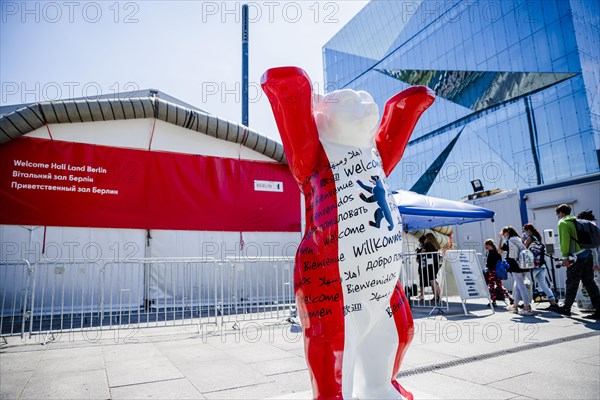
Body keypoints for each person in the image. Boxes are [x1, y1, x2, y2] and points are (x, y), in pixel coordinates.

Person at [554, 204, 600, 319]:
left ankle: (566, 308)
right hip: (588, 254)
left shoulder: (563, 223)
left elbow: (564, 241)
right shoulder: (577, 221)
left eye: (557, 214)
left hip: (576, 257)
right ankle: (599, 309)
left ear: (561, 213)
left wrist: (564, 257)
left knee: (572, 282)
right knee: (589, 282)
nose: (557, 216)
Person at [498, 226, 534, 316]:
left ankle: (527, 307)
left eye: (504, 233)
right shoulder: (519, 239)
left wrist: (500, 239)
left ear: (508, 232)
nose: (504, 235)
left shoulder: (509, 241)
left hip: (515, 265)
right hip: (524, 265)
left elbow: (499, 251)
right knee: (518, 286)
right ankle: (515, 305)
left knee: (521, 286)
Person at [522, 223, 559, 311]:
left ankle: (527, 304)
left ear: (528, 230)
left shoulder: (530, 238)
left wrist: (523, 239)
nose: (524, 232)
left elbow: (524, 247)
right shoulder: (538, 237)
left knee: (527, 284)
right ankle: (553, 302)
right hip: (542, 265)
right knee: (543, 285)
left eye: (525, 231)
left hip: (533, 266)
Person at [483, 239, 513, 307]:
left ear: (489, 245)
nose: (485, 247)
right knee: (500, 286)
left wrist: (487, 267)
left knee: (491, 286)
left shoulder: (490, 253)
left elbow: (489, 264)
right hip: (497, 272)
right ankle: (510, 298)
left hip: (492, 272)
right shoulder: (497, 252)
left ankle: (493, 301)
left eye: (486, 245)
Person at [418, 233, 442, 302]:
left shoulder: (427, 244)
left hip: (431, 264)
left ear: (428, 238)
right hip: (436, 263)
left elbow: (421, 252)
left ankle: (436, 297)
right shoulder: (435, 245)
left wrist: (422, 247)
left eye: (426, 238)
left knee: (432, 281)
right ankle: (438, 296)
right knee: (434, 280)